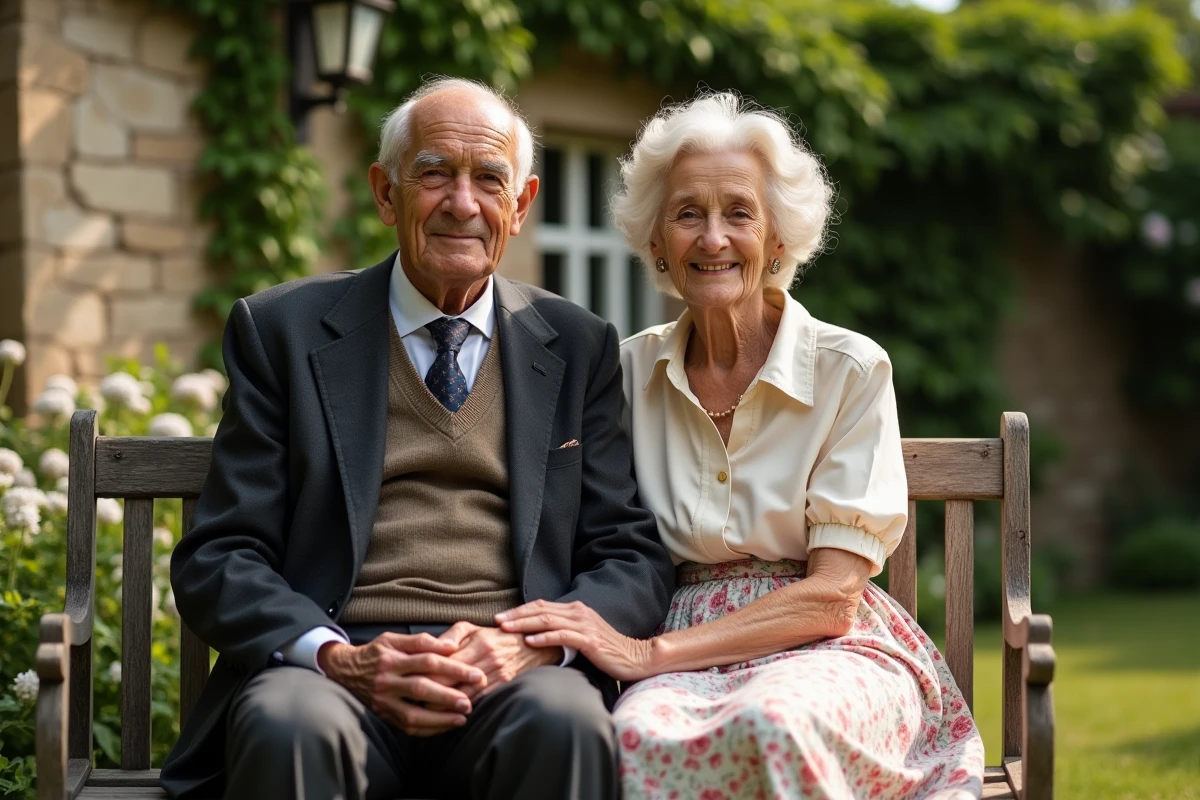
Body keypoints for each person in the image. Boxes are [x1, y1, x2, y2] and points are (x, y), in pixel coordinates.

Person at [161, 77, 674, 800]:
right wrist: (337, 657)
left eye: (488, 180)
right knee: (286, 722)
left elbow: (628, 552)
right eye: (434, 172)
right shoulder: (283, 332)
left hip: (509, 669)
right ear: (385, 192)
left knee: (566, 721)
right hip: (337, 672)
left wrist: (533, 645)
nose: (462, 203)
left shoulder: (579, 346)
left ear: (521, 204)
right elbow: (220, 554)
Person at [498, 92, 986, 799]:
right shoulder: (625, 373)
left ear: (778, 236)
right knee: (632, 736)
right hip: (679, 644)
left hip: (825, 643)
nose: (713, 238)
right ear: (657, 242)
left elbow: (832, 598)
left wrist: (650, 652)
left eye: (739, 212)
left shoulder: (849, 368)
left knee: (775, 719)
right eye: (688, 213)